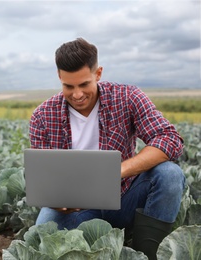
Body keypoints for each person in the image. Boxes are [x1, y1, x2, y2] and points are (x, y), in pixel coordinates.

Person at [29, 37, 185, 260]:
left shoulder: (128, 97)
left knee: (170, 174)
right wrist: (55, 200)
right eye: (68, 86)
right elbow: (42, 175)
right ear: (59, 77)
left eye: (84, 84)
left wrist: (117, 171)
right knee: (41, 232)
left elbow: (169, 139)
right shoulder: (43, 116)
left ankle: (146, 254)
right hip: (77, 209)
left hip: (124, 199)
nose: (77, 94)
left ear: (98, 73)